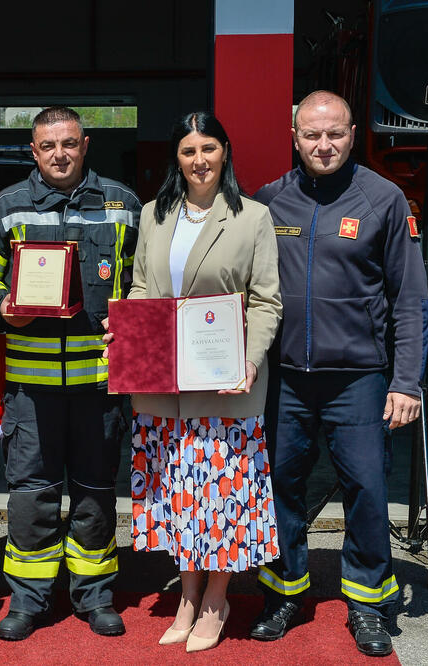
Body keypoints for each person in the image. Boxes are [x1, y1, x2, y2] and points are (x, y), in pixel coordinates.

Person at [250, 91, 428, 658]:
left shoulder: (384, 199)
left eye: (334, 134)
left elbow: (410, 302)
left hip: (360, 379)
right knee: (279, 486)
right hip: (285, 379)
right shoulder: (269, 202)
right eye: (311, 135)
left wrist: (404, 382)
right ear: (294, 135)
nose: (323, 145)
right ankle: (284, 592)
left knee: (368, 491)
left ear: (352, 134)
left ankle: (369, 602)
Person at [105, 112, 282, 652]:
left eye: (209, 148)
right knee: (180, 495)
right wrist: (127, 332)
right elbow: (140, 287)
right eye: (188, 151)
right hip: (163, 382)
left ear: (225, 152)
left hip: (226, 381)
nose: (199, 160)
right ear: (175, 159)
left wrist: (250, 359)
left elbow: (266, 300)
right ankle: (186, 597)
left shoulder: (252, 217)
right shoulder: (154, 214)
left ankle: (215, 600)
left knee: (221, 496)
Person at [0, 106, 140, 640]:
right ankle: (29, 599)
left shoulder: (123, 204)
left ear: (85, 144)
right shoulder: (8, 208)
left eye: (68, 143)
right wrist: (1, 309)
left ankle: (95, 596)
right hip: (31, 388)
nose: (59, 154)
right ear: (33, 151)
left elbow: (147, 279)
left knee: (94, 492)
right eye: (47, 146)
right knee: (31, 495)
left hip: (100, 383)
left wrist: (134, 323)